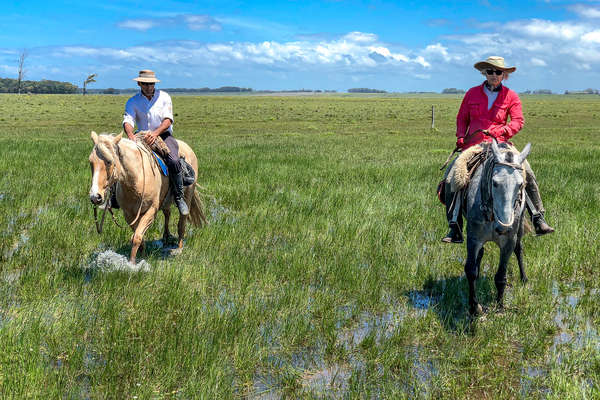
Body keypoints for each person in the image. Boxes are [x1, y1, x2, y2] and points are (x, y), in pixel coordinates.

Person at [442, 56, 554, 243]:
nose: (494, 75)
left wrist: (503, 130)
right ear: (484, 73)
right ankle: (454, 226)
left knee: (528, 172)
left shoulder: (511, 96)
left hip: (502, 144)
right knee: (452, 175)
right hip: (475, 145)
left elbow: (518, 121)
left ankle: (538, 217)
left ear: (504, 75)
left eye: (498, 72)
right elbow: (462, 118)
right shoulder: (471, 93)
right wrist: (461, 136)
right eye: (490, 71)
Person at [122, 70, 189, 216]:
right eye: (145, 84)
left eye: (151, 84)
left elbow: (168, 120)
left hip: (163, 135)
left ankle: (179, 197)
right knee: (123, 160)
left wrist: (156, 133)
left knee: (174, 160)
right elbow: (128, 120)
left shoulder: (164, 97)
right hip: (141, 136)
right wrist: (130, 135)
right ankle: (115, 197)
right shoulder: (133, 101)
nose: (148, 87)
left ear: (154, 84)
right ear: (139, 83)